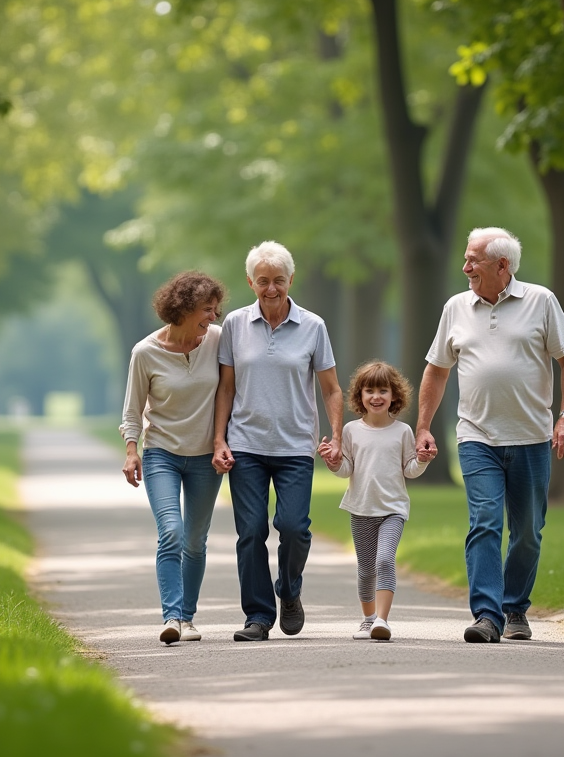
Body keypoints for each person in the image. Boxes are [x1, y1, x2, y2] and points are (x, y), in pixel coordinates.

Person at [416, 227, 564, 644]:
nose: (465, 267)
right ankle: (487, 616)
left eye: (474, 260)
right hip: (476, 437)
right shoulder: (456, 307)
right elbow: (436, 370)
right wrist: (422, 425)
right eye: (466, 258)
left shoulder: (540, 301)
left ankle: (515, 607)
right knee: (485, 521)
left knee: (527, 531)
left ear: (502, 266)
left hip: (530, 437)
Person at [213, 241, 344, 642]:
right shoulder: (235, 325)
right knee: (251, 531)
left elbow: (332, 390)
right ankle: (257, 615)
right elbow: (225, 389)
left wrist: (336, 436)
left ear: (292, 280)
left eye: (280, 281)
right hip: (246, 444)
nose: (272, 289)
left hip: (295, 447)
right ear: (251, 281)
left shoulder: (313, 326)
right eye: (264, 281)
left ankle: (289, 590)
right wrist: (219, 439)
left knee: (293, 527)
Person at [121, 271, 227, 645]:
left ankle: (187, 617)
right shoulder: (145, 352)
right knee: (171, 532)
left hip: (204, 458)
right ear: (182, 309)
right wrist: (132, 451)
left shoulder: (217, 341)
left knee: (195, 541)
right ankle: (171, 616)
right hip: (161, 454)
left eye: (216, 310)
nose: (213, 318)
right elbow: (132, 412)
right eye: (206, 310)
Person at [318, 361, 436, 642]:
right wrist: (333, 463)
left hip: (393, 509)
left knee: (385, 560)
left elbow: (409, 469)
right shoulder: (350, 431)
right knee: (366, 568)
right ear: (360, 396)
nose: (376, 396)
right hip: (361, 509)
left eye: (383, 390)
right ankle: (368, 618)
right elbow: (347, 468)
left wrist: (421, 460)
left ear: (394, 395)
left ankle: (382, 620)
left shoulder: (403, 432)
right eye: (369, 390)